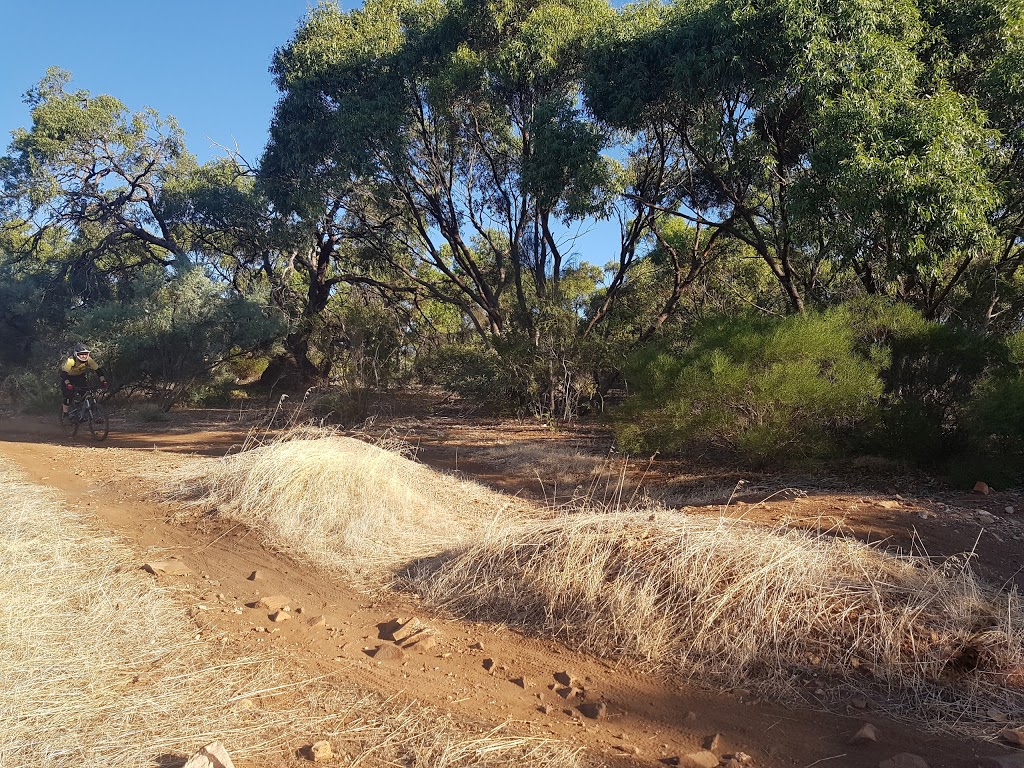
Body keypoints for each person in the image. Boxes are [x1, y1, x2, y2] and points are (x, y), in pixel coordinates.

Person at [60, 343, 108, 419]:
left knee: (86, 394)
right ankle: (65, 415)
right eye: (81, 354)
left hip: (79, 377)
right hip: (68, 378)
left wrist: (103, 381)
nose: (84, 356)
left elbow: (98, 370)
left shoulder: (89, 360)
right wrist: (68, 384)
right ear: (76, 354)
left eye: (86, 354)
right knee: (69, 396)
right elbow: (63, 374)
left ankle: (86, 412)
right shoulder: (71, 361)